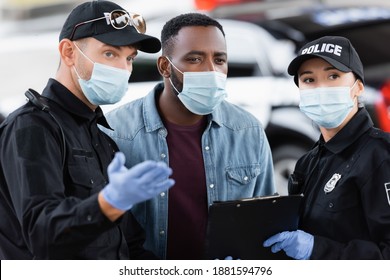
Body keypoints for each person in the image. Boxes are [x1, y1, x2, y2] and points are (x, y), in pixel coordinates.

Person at [0, 0, 175, 260]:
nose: (123, 69)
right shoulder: (31, 128)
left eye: (129, 58)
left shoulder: (101, 137)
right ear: (69, 52)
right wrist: (108, 204)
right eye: (109, 54)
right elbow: (43, 235)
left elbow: (130, 244)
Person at [102, 13, 275, 260]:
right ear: (164, 66)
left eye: (219, 60)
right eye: (194, 59)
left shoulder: (248, 131)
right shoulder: (115, 130)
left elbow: (264, 220)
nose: (211, 70)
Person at [263, 36, 390, 259]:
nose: (321, 88)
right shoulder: (308, 162)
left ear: (358, 87)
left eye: (333, 76)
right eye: (309, 80)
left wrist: (317, 250)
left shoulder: (381, 156)